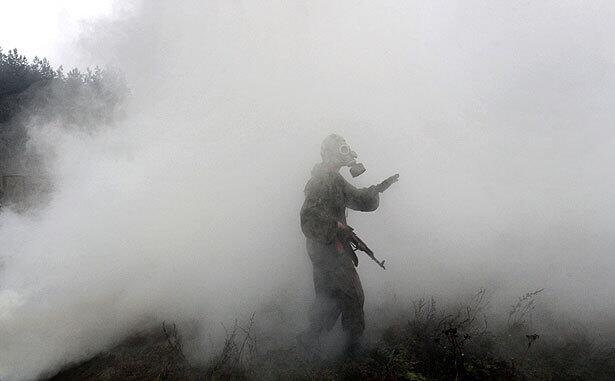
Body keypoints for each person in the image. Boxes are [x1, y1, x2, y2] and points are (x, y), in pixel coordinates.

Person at [300, 134, 399, 354]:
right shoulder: (322, 180)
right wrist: (336, 227)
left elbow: (358, 200)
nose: (344, 154)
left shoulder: (333, 179)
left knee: (329, 296)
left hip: (325, 247)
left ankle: (310, 341)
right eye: (339, 150)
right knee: (352, 295)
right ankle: (352, 348)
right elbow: (308, 217)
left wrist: (379, 188)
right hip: (328, 248)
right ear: (328, 153)